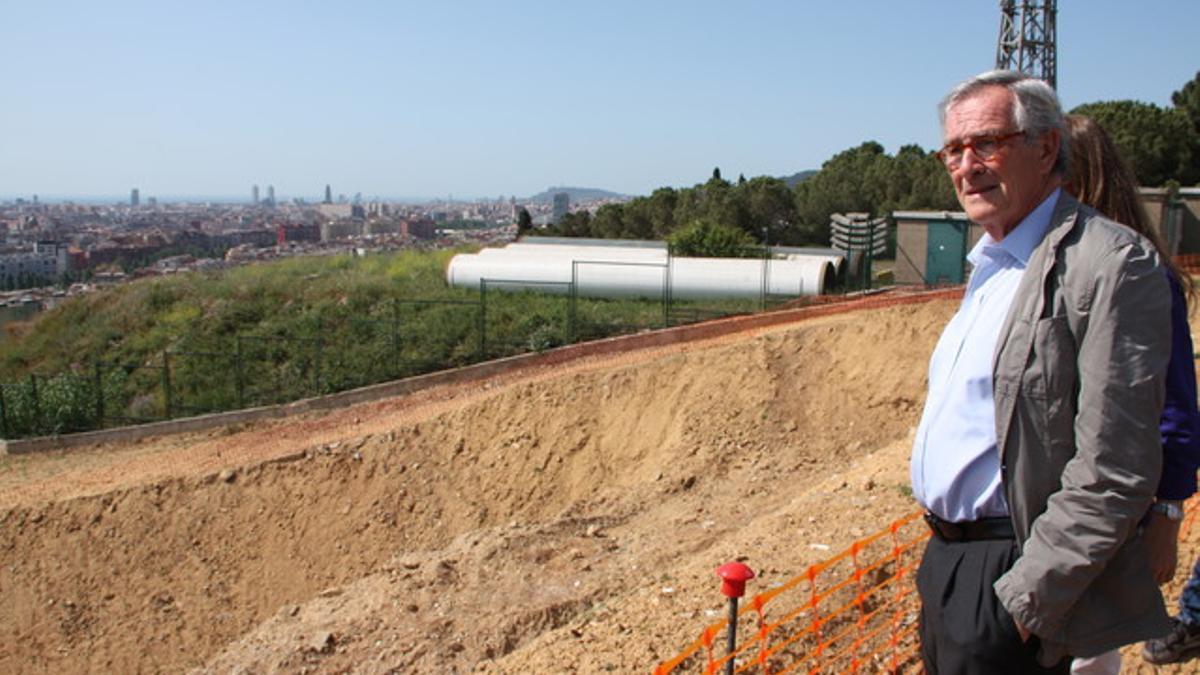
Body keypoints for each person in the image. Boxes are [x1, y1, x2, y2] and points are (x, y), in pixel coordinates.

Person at [910, 70, 1172, 674]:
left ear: (1047, 146)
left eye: (987, 143)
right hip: (949, 562)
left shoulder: (1109, 264)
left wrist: (1024, 604)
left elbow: (1117, 467)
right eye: (953, 149)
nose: (966, 165)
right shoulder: (993, 263)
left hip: (1013, 570)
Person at [1061, 115, 1200, 672]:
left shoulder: (1139, 272)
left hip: (1106, 508)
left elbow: (1176, 410)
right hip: (1049, 503)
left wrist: (1167, 514)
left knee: (1087, 655)